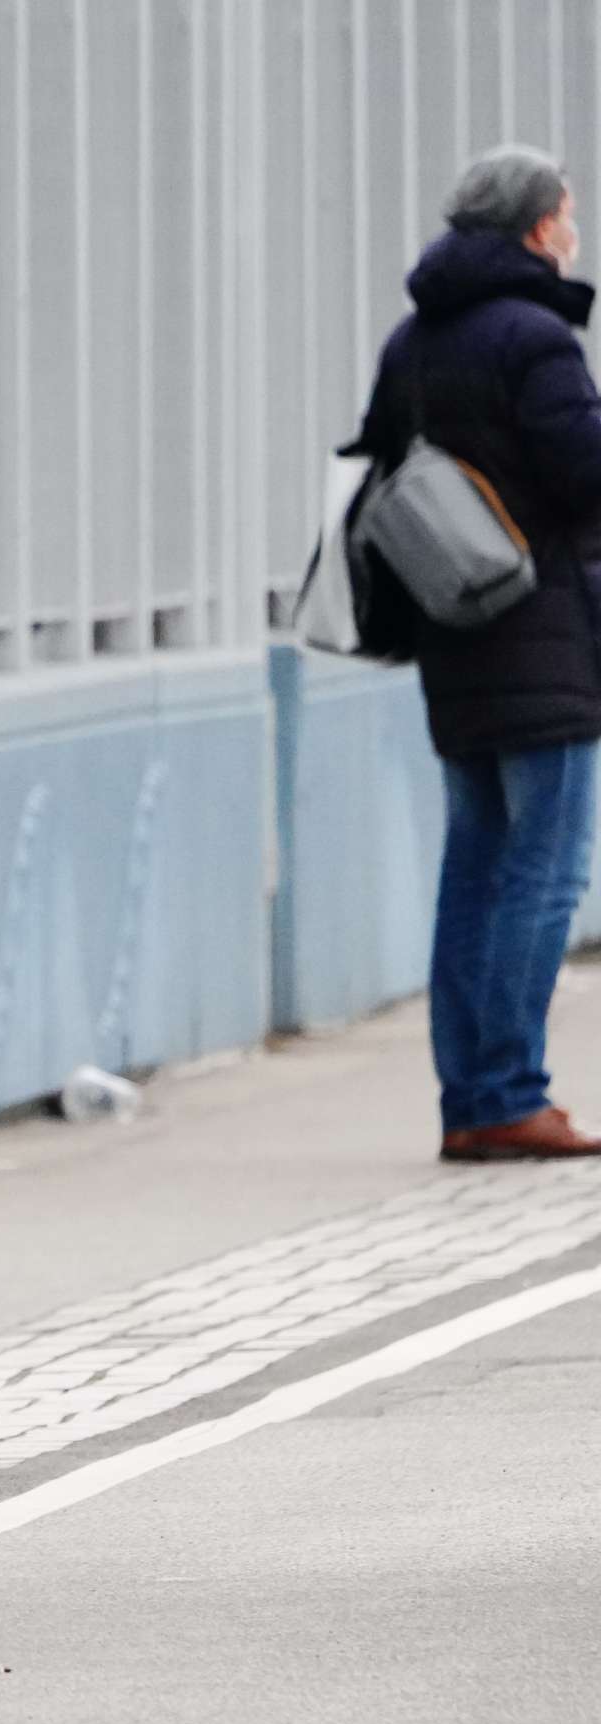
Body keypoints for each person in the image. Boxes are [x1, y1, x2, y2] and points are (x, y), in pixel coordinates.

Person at [348, 144, 601, 1165]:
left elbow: (372, 464)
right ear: (538, 228)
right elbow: (584, 478)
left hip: (455, 632)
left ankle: (471, 1096)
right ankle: (507, 1093)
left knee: (478, 869)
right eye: (569, 216)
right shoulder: (535, 337)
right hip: (543, 634)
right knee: (543, 873)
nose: (575, 232)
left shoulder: (415, 340)